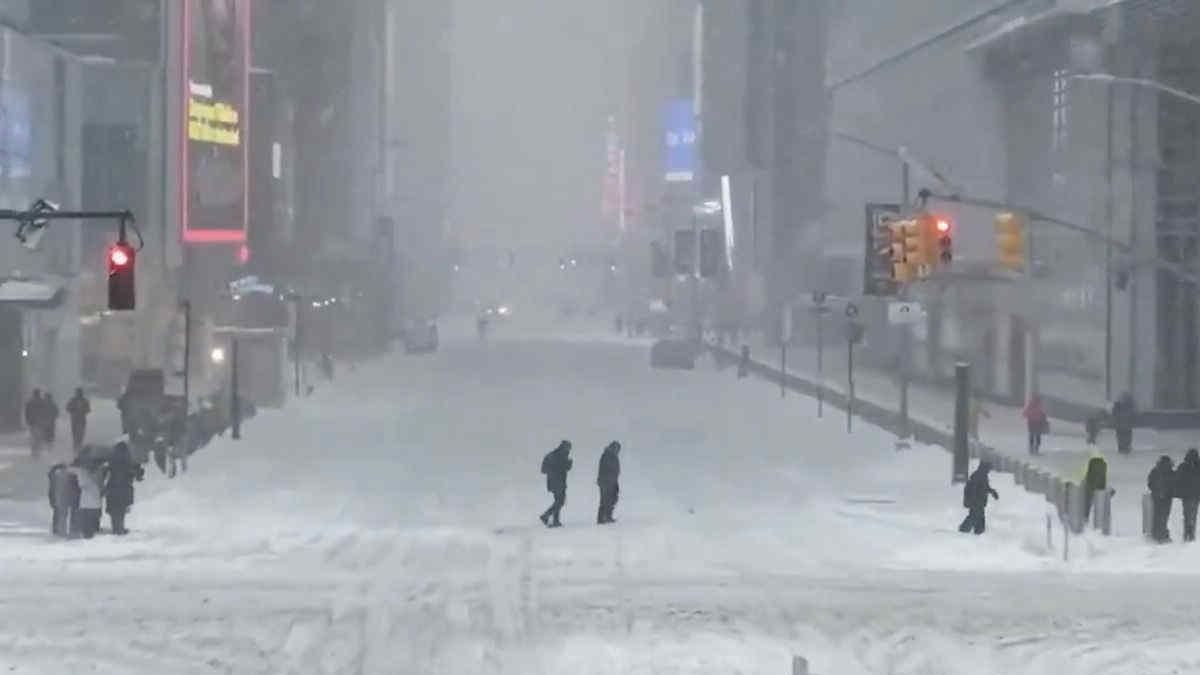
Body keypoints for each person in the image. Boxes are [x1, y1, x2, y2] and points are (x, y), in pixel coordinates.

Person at [104, 442, 144, 535]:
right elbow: (136, 472)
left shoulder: (111, 459)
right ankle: (120, 528)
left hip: (112, 487)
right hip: (124, 487)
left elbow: (106, 472)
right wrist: (138, 474)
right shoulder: (128, 460)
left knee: (114, 510)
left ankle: (116, 528)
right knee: (121, 509)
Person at [959, 460, 999, 535]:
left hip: (979, 502)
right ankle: (963, 531)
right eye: (989, 468)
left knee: (980, 517)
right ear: (985, 467)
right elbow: (973, 488)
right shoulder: (978, 475)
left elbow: (985, 487)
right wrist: (973, 500)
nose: (989, 470)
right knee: (974, 516)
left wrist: (993, 492)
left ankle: (979, 532)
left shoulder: (983, 475)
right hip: (975, 502)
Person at [539, 440, 573, 528]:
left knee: (558, 501)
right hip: (558, 482)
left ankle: (555, 521)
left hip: (554, 482)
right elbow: (563, 468)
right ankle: (545, 516)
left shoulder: (552, 455)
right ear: (564, 447)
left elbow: (543, 470)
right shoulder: (560, 456)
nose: (569, 450)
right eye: (568, 448)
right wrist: (568, 463)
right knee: (560, 501)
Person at [71, 457, 103, 539]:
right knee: (91, 522)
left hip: (86, 503)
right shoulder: (98, 474)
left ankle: (87, 535)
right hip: (95, 503)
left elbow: (81, 484)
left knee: (86, 523)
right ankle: (90, 534)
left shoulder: (83, 473)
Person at [1147, 455, 1176, 543]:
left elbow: (1150, 483)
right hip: (1167, 497)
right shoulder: (1170, 472)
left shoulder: (1155, 470)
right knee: (1164, 516)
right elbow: (1174, 484)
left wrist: (1156, 491)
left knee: (1157, 515)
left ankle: (1156, 533)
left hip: (1156, 496)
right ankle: (1162, 535)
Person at [1175, 448, 1200, 543]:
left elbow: (1177, 479)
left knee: (1187, 514)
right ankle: (1191, 533)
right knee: (1193, 514)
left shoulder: (1183, 466)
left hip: (1187, 495)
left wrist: (1179, 491)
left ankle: (1187, 533)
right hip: (1195, 495)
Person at [596, 441, 621, 524]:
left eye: (618, 449)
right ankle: (600, 519)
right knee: (605, 499)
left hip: (613, 481)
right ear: (613, 447)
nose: (618, 451)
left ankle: (608, 516)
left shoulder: (614, 456)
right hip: (605, 481)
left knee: (613, 498)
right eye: (617, 448)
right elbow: (607, 468)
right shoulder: (607, 455)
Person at [47, 463, 74, 536]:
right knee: (62, 514)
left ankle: (57, 530)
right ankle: (60, 530)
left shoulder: (54, 476)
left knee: (58, 514)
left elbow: (52, 489)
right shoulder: (60, 476)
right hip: (61, 498)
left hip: (56, 497)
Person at [1081, 452, 1109, 520]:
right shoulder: (1102, 464)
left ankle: (1085, 516)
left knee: (1087, 501)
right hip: (1096, 485)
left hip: (1092, 485)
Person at [66, 388, 91, 452]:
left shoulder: (85, 400)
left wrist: (83, 410)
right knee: (75, 436)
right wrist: (73, 409)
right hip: (75, 420)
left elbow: (88, 409)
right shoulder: (72, 400)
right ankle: (75, 449)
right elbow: (67, 408)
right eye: (77, 393)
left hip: (81, 420)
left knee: (81, 435)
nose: (78, 394)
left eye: (79, 393)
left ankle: (79, 447)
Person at [25, 389, 45, 457]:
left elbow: (27, 412)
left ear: (34, 394)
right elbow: (45, 412)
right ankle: (37, 450)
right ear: (39, 394)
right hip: (40, 422)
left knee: (33, 436)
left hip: (32, 422)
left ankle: (34, 450)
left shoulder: (30, 402)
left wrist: (27, 420)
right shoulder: (42, 402)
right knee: (39, 437)